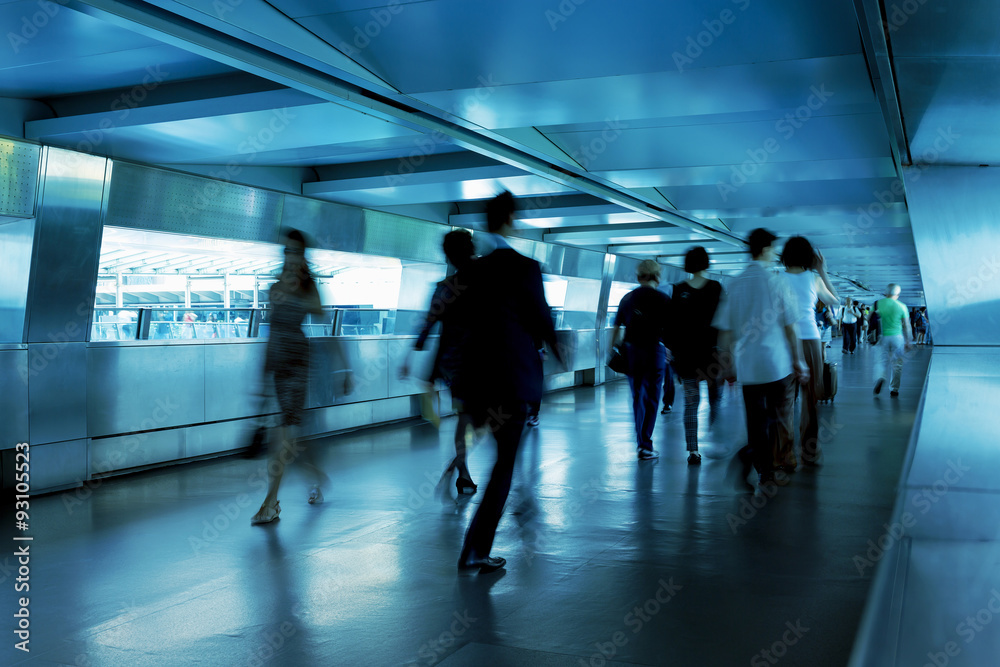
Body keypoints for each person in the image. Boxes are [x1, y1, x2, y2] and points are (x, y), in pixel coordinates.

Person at [453, 191, 562, 573]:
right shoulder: (526, 268)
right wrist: (558, 351)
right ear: (511, 219)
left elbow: (461, 327)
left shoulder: (473, 272)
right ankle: (475, 549)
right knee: (504, 466)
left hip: (479, 384)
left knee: (498, 462)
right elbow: (541, 321)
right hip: (513, 386)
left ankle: (474, 548)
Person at [252, 229, 343, 524]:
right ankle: (316, 477)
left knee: (282, 437)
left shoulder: (306, 287)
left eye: (294, 251)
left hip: (299, 363)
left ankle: (270, 503)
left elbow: (320, 314)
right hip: (278, 363)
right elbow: (271, 331)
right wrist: (262, 381)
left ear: (302, 255)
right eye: (286, 251)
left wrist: (301, 283)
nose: (288, 256)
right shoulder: (274, 287)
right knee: (288, 439)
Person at [714, 228, 808, 489]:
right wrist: (799, 361)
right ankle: (753, 461)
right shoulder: (778, 282)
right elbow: (791, 327)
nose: (777, 253)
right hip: (777, 365)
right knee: (778, 418)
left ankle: (763, 471)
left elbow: (725, 331)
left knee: (756, 422)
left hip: (748, 367)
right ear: (766, 249)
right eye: (774, 248)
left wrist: (727, 363)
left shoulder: (733, 283)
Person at [403, 229, 479, 493]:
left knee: (465, 417)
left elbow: (427, 325)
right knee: (479, 418)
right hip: (481, 363)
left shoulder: (445, 288)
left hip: (453, 367)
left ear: (448, 256)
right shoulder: (486, 282)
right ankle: (458, 469)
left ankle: (461, 470)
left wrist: (409, 356)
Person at [780, 237, 839, 467]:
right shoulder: (813, 279)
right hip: (811, 339)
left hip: (785, 341)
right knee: (810, 397)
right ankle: (809, 452)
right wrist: (822, 271)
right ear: (809, 257)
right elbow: (834, 300)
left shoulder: (777, 279)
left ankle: (785, 455)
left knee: (785, 399)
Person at [612, 259, 672, 461]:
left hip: (632, 353)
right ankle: (646, 443)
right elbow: (671, 331)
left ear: (638, 277)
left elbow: (617, 327)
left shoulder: (627, 298)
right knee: (653, 398)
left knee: (638, 397)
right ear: (657, 276)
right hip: (655, 352)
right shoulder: (663, 299)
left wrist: (614, 349)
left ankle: (642, 444)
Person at [670, 247, 723, 465]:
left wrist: (674, 356)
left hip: (686, 356)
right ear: (706, 262)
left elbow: (671, 326)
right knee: (715, 399)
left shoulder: (679, 289)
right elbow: (724, 322)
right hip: (712, 355)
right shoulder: (716, 288)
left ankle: (693, 450)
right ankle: (715, 438)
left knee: (691, 403)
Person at [873, 284, 912, 398]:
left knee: (881, 361)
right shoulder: (902, 306)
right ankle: (894, 389)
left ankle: (881, 376)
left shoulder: (877, 303)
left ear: (886, 292)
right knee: (897, 364)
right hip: (897, 338)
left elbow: (869, 318)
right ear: (898, 294)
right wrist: (909, 340)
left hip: (882, 337)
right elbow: (907, 325)